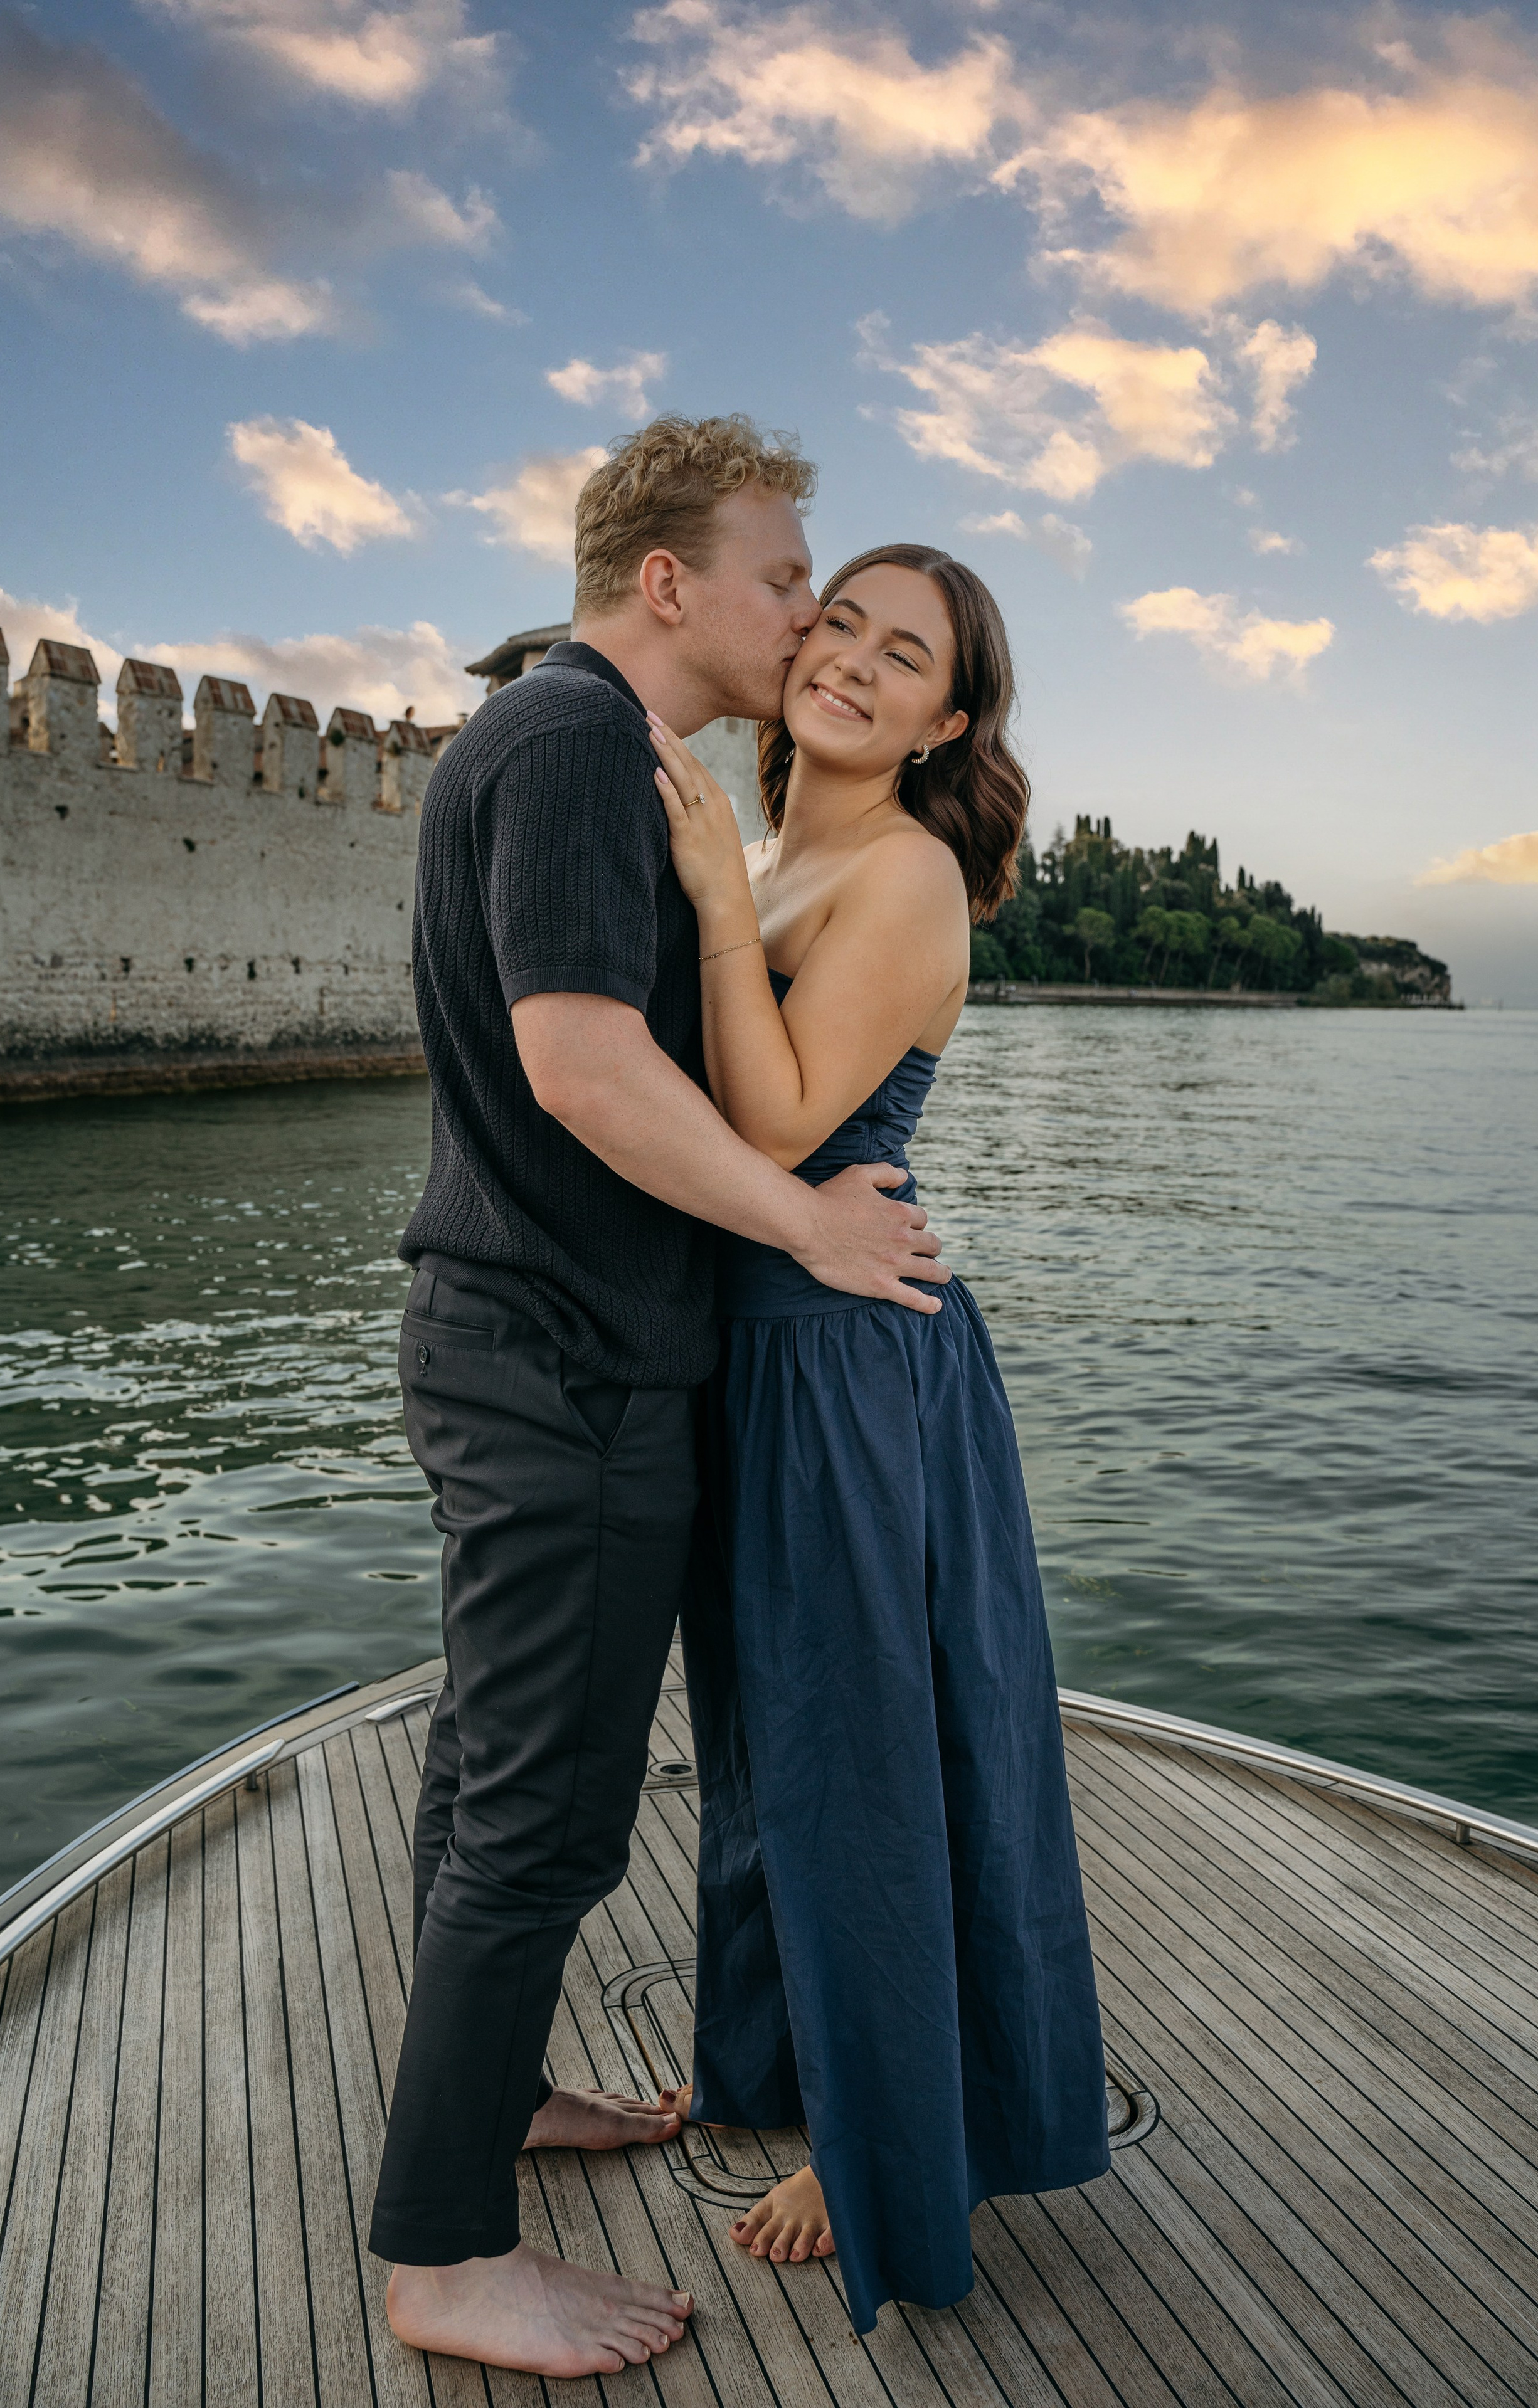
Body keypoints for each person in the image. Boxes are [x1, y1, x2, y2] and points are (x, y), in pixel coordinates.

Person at [370, 422, 952, 2379]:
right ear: (671, 583)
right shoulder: (567, 747)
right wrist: (808, 1223)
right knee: (545, 1809)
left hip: (533, 1341)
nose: (807, 615)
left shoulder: (581, 753)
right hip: (568, 1361)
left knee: (488, 1760)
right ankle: (445, 2255)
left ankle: (498, 2094)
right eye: (790, 578)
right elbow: (587, 1073)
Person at [645, 544, 1111, 2335]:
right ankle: (787, 2070)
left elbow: (769, 1124)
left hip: (845, 1361)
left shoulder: (905, 874)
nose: (847, 660)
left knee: (859, 1772)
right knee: (773, 1753)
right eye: (836, 620)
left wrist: (700, 887)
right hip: (764, 1350)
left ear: (948, 717)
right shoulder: (794, 852)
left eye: (899, 653)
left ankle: (877, 2151)